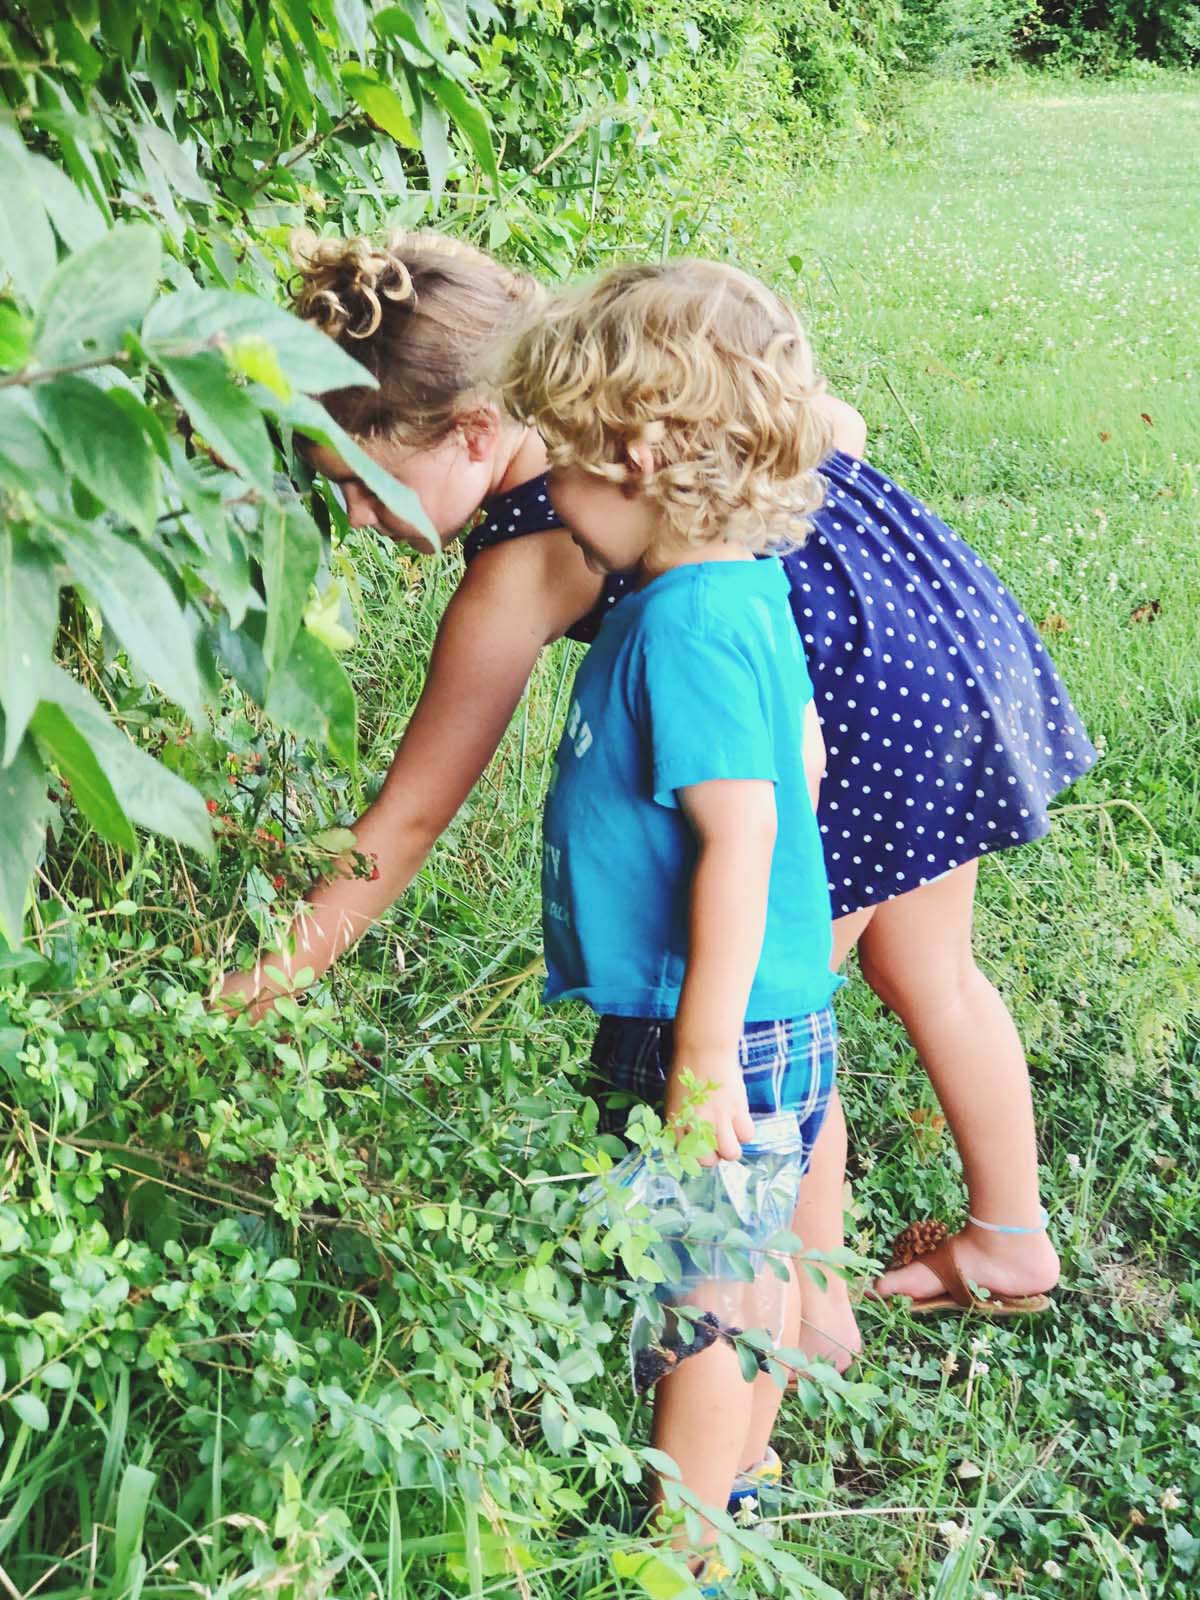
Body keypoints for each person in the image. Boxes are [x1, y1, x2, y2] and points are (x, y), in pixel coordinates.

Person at [221, 229, 1094, 1357]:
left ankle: (810, 1317)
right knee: (925, 962)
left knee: (773, 1009)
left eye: (358, 475)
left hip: (826, 711)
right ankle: (1010, 1237)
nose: (350, 512)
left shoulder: (534, 551)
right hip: (926, 634)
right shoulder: (655, 395)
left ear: (473, 431)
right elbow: (840, 427)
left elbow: (410, 819)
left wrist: (259, 981)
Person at [504, 256, 841, 1586]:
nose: (548, 497)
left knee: (703, 1292)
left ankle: (680, 1555)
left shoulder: (684, 623)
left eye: (562, 465)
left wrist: (699, 1058)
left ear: (638, 457)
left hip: (707, 1027)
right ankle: (738, 1488)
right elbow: (797, 769)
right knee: (745, 1276)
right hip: (771, 1016)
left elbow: (741, 835)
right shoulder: (741, 591)